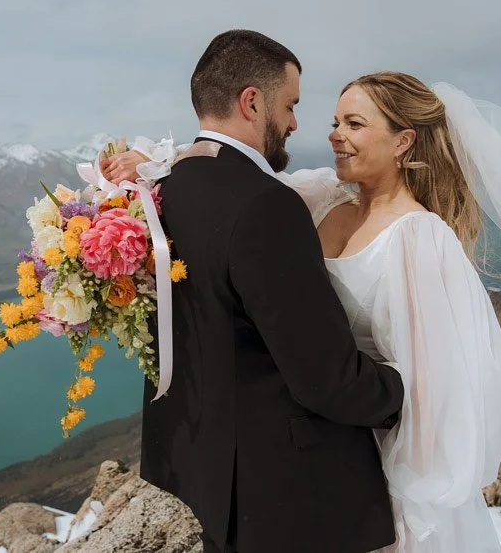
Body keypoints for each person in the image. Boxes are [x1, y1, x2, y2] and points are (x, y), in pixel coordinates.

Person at [105, 60, 501, 551]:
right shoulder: (322, 198)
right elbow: (233, 184)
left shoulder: (420, 239)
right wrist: (155, 163)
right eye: (335, 121)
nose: (334, 134)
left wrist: (400, 493)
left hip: (387, 466)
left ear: (403, 140)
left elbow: (438, 384)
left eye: (355, 125)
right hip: (322, 452)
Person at [126, 29, 407, 553]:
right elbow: (324, 379)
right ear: (252, 103)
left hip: (215, 479)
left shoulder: (166, 188)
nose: (297, 123)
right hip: (286, 501)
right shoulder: (265, 206)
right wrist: (398, 393)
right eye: (291, 105)